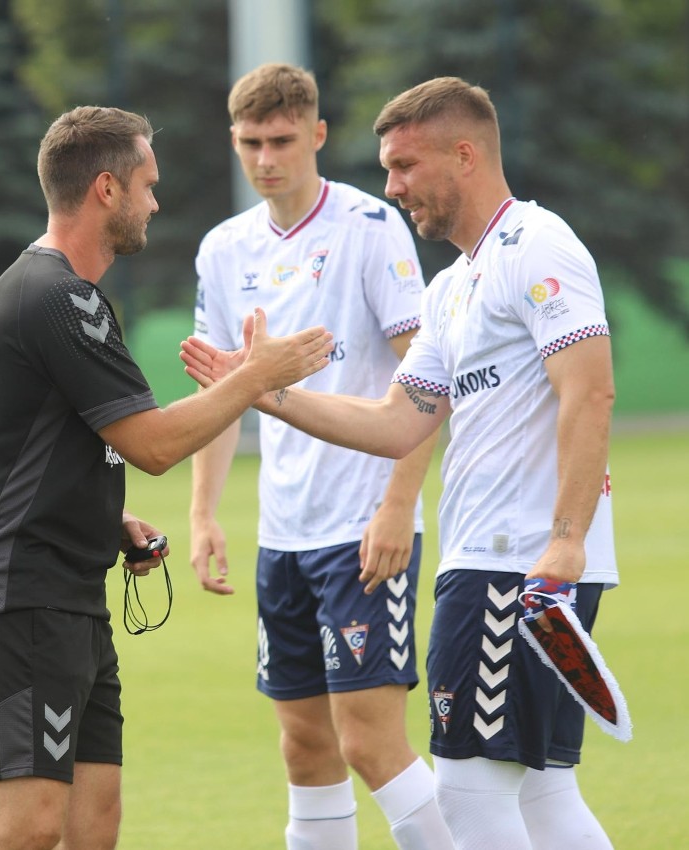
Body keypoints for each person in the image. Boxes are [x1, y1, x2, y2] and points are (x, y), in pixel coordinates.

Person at [182, 76, 619, 850]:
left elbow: (591, 392)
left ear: (466, 154)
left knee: (470, 799)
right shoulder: (454, 285)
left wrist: (566, 538)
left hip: (518, 566)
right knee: (544, 798)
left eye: (406, 166)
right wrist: (260, 390)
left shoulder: (538, 244)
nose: (392, 186)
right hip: (488, 559)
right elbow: (396, 422)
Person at [0, 105, 333, 850]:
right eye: (149, 185)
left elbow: (52, 441)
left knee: (95, 824)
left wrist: (103, 518)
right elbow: (153, 446)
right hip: (19, 592)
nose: (157, 202)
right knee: (26, 827)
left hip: (65, 589)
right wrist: (255, 379)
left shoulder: (68, 295)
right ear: (108, 191)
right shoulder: (58, 298)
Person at [190, 63, 451, 850]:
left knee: (370, 742)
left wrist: (398, 505)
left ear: (317, 135)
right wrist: (204, 512)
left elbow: (425, 380)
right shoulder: (223, 249)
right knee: (305, 750)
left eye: (281, 140)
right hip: (285, 533)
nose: (266, 158)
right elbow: (219, 395)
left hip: (363, 527)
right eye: (249, 143)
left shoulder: (370, 228)